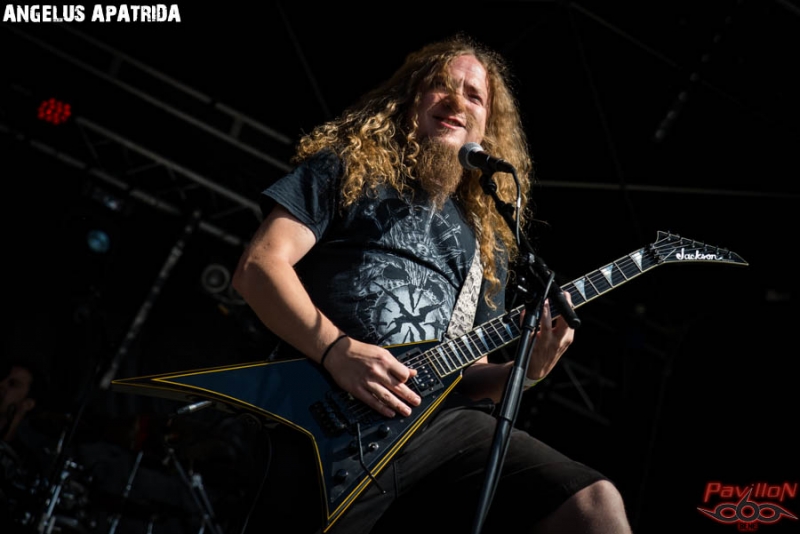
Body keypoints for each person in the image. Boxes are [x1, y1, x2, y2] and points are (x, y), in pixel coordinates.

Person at [231, 33, 633, 534]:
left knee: (592, 504)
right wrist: (336, 350)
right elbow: (259, 266)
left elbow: (470, 375)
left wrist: (526, 372)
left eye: (474, 96)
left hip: (438, 431)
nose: (457, 102)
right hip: (320, 409)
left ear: (486, 127)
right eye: (442, 85)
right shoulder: (347, 168)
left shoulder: (489, 239)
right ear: (410, 100)